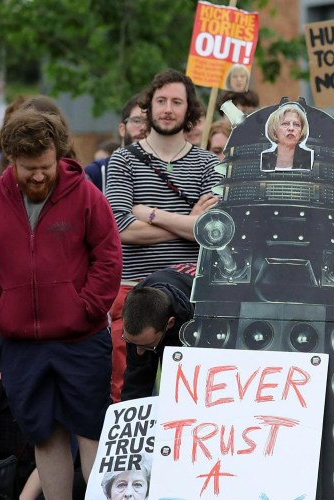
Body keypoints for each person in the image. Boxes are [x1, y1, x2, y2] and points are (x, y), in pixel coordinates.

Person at [0, 109, 122, 500]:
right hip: (20, 341)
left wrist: (87, 307)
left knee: (91, 427)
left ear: (59, 156)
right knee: (43, 430)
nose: (38, 176)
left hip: (82, 337)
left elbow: (108, 257)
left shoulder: (86, 195)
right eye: (29, 169)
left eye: (46, 168)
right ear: (10, 158)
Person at [106, 69, 222, 403]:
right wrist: (188, 222)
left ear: (190, 110)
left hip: (190, 295)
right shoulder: (123, 160)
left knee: (191, 395)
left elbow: (212, 233)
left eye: (176, 102)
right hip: (134, 293)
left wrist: (151, 214)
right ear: (148, 107)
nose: (167, 109)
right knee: (128, 395)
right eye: (160, 101)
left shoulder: (206, 164)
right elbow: (121, 227)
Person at [120, 263, 195, 401]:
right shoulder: (136, 302)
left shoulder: (202, 310)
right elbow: (136, 379)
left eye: (147, 345)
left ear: (169, 323)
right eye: (128, 339)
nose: (139, 351)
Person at [85, 93, 149, 193]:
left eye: (149, 123)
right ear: (122, 129)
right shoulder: (96, 173)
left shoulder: (163, 173)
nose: (143, 128)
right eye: (137, 121)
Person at [261, 103, 313, 171]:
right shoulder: (264, 159)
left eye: (296, 124)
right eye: (285, 123)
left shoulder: (310, 158)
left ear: (301, 131)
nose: (291, 128)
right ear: (274, 130)